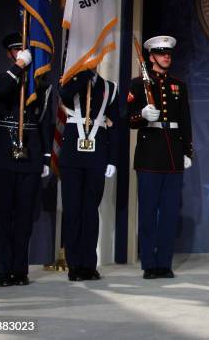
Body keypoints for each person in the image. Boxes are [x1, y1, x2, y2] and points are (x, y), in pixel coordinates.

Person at [0, 32, 52, 287]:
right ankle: (3, 269)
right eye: (15, 50)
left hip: (29, 154)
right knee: (3, 214)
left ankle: (20, 270)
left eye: (23, 50)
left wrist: (44, 158)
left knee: (23, 216)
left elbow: (44, 123)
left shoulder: (41, 87)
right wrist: (18, 67)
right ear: (10, 53)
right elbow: (1, 90)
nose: (20, 53)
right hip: (2, 153)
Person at [127, 35, 193, 279]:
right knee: (147, 212)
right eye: (162, 53)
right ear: (151, 57)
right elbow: (129, 120)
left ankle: (164, 263)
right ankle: (149, 263)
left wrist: (187, 151)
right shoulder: (138, 84)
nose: (167, 56)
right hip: (149, 155)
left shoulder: (178, 85)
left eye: (169, 53)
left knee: (169, 212)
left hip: (173, 154)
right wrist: (142, 115)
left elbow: (185, 121)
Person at [58, 68, 118, 281]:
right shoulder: (70, 82)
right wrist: (83, 76)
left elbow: (114, 125)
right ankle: (74, 265)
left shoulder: (110, 88)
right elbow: (65, 95)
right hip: (72, 155)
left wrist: (112, 159)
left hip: (97, 154)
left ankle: (89, 265)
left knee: (91, 212)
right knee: (73, 211)